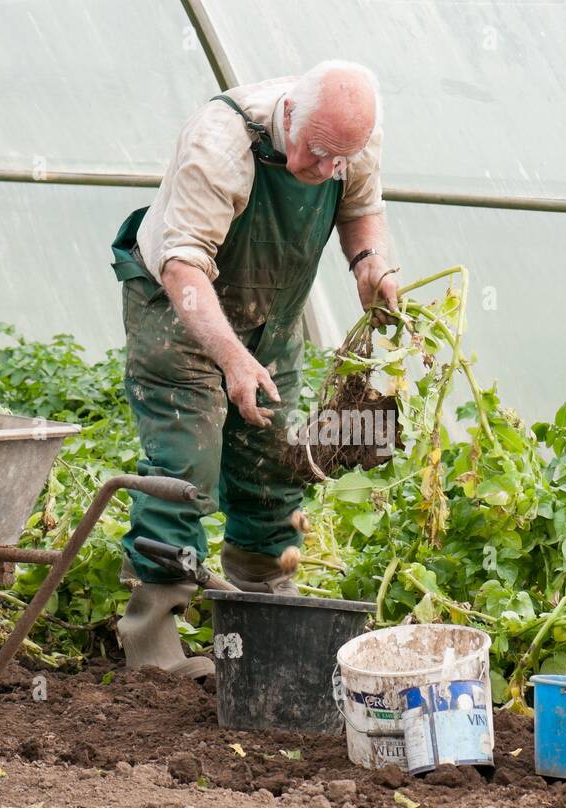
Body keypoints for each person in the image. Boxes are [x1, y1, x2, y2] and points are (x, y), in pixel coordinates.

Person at [109, 60, 397, 678]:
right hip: (178, 309)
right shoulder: (221, 143)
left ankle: (262, 617)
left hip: (270, 316)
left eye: (338, 159)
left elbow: (361, 211)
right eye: (316, 154)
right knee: (186, 463)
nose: (326, 170)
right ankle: (152, 642)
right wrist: (232, 359)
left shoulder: (349, 141)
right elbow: (184, 265)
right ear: (288, 114)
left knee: (273, 460)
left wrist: (372, 262)